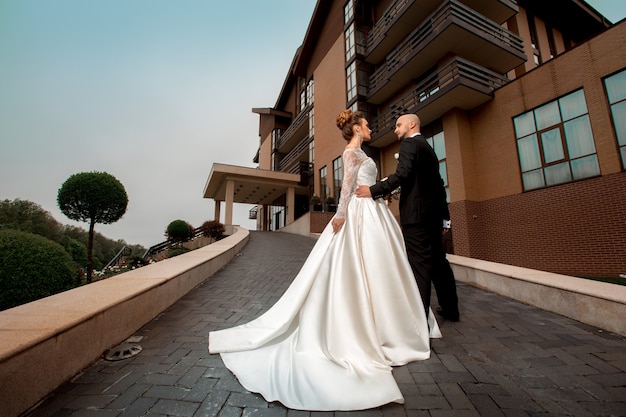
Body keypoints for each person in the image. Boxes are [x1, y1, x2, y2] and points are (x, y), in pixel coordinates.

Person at [208, 109, 441, 411]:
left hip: (374, 213)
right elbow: (347, 187)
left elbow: (364, 183)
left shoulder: (362, 151)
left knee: (381, 270)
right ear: (357, 127)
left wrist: (379, 193)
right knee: (365, 269)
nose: (371, 128)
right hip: (360, 215)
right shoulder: (351, 152)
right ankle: (376, 327)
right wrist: (340, 216)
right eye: (367, 125)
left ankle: (388, 324)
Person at [356, 113, 459, 322]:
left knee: (419, 268)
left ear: (412, 124)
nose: (396, 130)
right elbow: (438, 184)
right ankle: (451, 309)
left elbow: (402, 175)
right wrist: (444, 218)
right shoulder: (428, 149)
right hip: (433, 218)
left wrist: (374, 190)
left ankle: (420, 324)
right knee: (439, 263)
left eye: (399, 125)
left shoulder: (409, 145)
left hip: (416, 219)